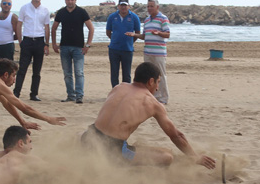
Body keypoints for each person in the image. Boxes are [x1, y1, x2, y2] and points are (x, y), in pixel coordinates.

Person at [81, 62, 216, 169]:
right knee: (167, 157)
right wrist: (195, 156)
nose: (157, 88)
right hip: (112, 150)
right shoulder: (151, 103)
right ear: (151, 81)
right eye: (158, 82)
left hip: (88, 137)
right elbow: (176, 135)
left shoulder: (119, 87)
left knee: (149, 149)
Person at [51, 0, 94, 104]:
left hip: (78, 48)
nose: (70, 1)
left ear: (75, 0)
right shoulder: (61, 12)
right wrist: (54, 44)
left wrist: (87, 45)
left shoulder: (81, 12)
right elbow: (53, 28)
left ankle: (79, 95)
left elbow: (91, 28)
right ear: (65, 0)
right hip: (64, 47)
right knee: (67, 73)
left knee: (79, 72)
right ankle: (70, 95)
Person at [126, 0, 171, 104]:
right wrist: (135, 34)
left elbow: (168, 34)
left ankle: (163, 98)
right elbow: (145, 36)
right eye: (148, 6)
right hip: (148, 52)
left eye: (151, 6)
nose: (149, 8)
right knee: (149, 76)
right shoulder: (147, 20)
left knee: (161, 75)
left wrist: (159, 33)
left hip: (159, 53)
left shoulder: (163, 18)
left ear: (157, 7)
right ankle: (152, 96)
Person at [13, 0, 51, 101]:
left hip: (39, 41)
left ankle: (34, 94)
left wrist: (47, 44)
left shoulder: (45, 10)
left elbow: (47, 27)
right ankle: (16, 92)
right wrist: (20, 41)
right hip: (27, 41)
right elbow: (19, 25)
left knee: (37, 70)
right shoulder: (24, 8)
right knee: (22, 68)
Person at [106, 0, 141, 88]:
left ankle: (126, 93)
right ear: (118, 6)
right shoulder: (112, 17)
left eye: (125, 5)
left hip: (127, 50)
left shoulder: (134, 17)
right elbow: (108, 32)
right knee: (114, 73)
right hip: (114, 49)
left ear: (128, 6)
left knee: (127, 74)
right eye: (121, 5)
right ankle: (115, 91)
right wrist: (115, 39)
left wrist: (129, 42)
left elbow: (137, 33)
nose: (123, 7)